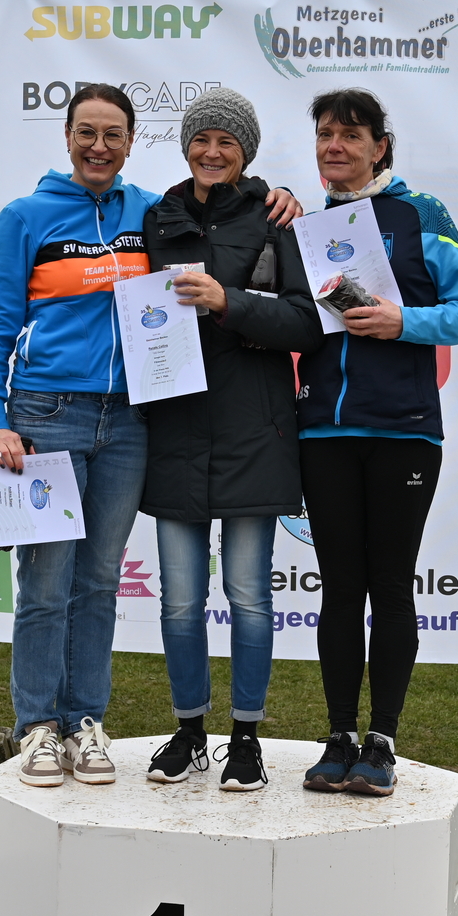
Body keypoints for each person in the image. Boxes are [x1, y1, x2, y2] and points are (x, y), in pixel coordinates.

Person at [0, 83, 298, 788]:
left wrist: (280, 197)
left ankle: (86, 721)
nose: (99, 146)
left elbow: (220, 209)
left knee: (98, 581)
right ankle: (38, 726)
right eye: (86, 133)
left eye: (113, 135)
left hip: (128, 419)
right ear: (67, 137)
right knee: (45, 582)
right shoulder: (25, 216)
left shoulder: (150, 212)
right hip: (47, 414)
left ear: (130, 142)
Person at [296, 89, 458, 799]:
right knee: (340, 589)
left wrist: (401, 321)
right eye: (325, 134)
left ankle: (382, 740)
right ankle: (338, 736)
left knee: (391, 585)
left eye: (351, 135)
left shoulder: (422, 215)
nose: (335, 146)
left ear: (380, 147)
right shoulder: (307, 225)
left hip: (404, 430)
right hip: (323, 429)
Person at [138, 89, 323, 791]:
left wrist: (229, 302)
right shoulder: (157, 217)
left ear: (246, 152)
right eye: (202, 139)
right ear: (186, 144)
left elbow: (307, 323)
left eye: (227, 142)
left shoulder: (276, 217)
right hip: (176, 432)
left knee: (248, 597)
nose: (212, 152)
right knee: (179, 602)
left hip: (255, 432)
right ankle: (189, 733)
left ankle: (245, 738)